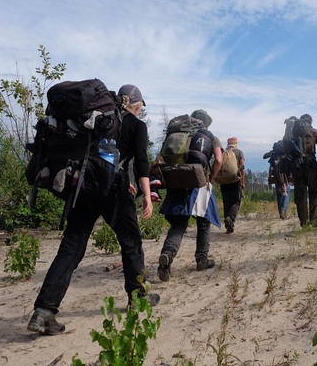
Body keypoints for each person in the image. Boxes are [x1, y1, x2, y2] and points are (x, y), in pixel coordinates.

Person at [27, 84, 158, 335]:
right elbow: (141, 160)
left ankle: (44, 311)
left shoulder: (97, 120)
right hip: (113, 190)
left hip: (82, 186)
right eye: (141, 107)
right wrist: (147, 197)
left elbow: (97, 155)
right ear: (137, 104)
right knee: (130, 241)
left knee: (71, 247)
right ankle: (137, 297)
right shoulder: (135, 125)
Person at [157, 109, 222, 280]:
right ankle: (202, 260)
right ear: (206, 123)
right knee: (204, 223)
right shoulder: (210, 136)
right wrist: (212, 177)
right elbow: (219, 159)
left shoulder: (179, 134)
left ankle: (167, 255)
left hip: (176, 179)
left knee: (178, 225)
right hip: (198, 181)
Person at [290, 113, 317, 227]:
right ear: (311, 121)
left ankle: (303, 223)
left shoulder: (293, 132)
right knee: (314, 193)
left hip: (297, 166)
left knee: (300, 194)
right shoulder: (314, 131)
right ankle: (313, 220)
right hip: (311, 165)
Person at [220, 137, 245, 233]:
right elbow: (242, 168)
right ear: (236, 143)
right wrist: (242, 182)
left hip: (223, 181)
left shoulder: (223, 153)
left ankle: (228, 224)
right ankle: (230, 218)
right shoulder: (239, 152)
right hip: (235, 181)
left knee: (226, 202)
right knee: (236, 202)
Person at [264, 140, 291, 219]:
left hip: (276, 177)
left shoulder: (273, 156)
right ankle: (283, 211)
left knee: (279, 195)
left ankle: (280, 211)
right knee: (286, 194)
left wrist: (269, 178)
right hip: (285, 177)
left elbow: (271, 168)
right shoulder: (286, 155)